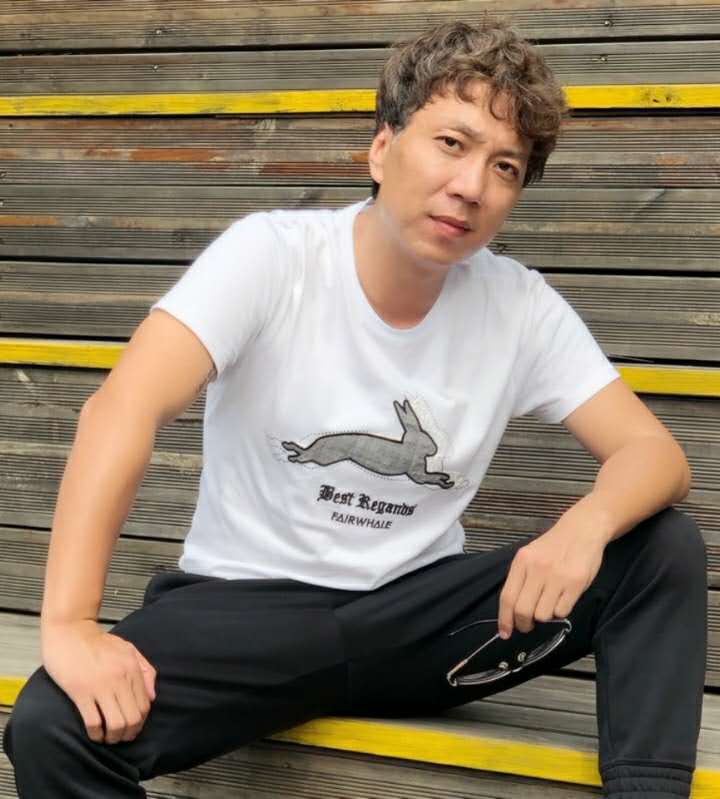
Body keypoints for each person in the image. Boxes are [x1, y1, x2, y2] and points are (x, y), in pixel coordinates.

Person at [3, 17, 707, 799]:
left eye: (504, 166)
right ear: (382, 148)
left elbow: (656, 455)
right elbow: (120, 410)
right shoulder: (274, 256)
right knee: (52, 726)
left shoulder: (520, 306)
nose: (471, 186)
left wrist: (584, 525)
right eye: (452, 143)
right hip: (247, 615)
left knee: (661, 546)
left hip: (418, 625)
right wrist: (70, 623)